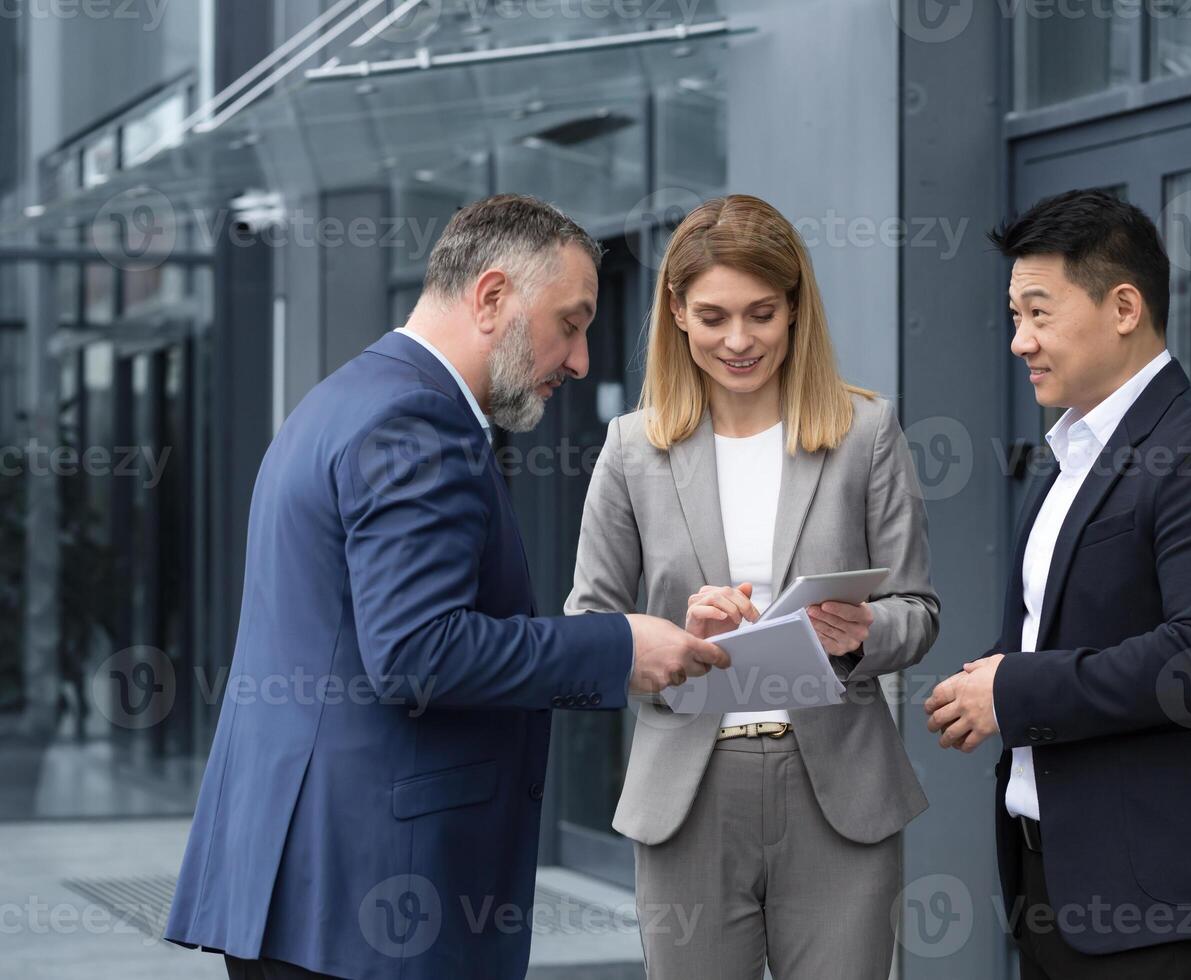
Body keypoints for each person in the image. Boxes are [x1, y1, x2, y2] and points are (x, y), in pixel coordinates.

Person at [164, 194, 728, 980]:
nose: (581, 361)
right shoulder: (416, 422)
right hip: (374, 894)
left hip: (302, 887)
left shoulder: (340, 401)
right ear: (493, 296)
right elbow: (419, 653)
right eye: (571, 322)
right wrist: (619, 645)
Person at [924, 189, 1191, 979]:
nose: (1020, 341)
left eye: (1039, 313)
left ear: (1124, 306)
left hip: (1160, 901)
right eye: (1013, 316)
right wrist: (985, 681)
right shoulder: (1069, 452)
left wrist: (1016, 690)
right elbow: (1065, 628)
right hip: (1052, 881)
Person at [565, 193, 940, 978]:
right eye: (712, 317)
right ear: (675, 310)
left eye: (762, 314)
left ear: (796, 308)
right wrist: (676, 630)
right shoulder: (632, 450)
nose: (739, 341)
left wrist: (864, 632)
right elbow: (590, 625)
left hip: (837, 789)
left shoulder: (865, 433)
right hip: (689, 794)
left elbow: (918, 611)